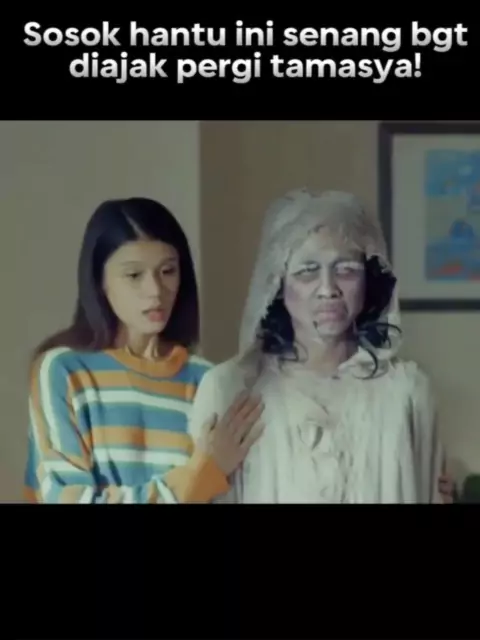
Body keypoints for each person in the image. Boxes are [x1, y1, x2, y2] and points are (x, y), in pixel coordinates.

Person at [188, 188, 452, 503]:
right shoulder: (231, 390)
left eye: (346, 270)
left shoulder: (407, 393)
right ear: (278, 283)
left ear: (368, 280)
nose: (328, 289)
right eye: (307, 271)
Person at [24, 197, 263, 503]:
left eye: (168, 271)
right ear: (99, 281)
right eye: (134, 275)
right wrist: (202, 475)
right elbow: (66, 498)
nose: (155, 291)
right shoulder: (62, 370)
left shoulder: (207, 379)